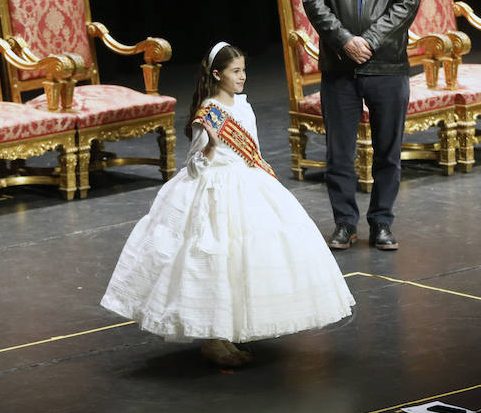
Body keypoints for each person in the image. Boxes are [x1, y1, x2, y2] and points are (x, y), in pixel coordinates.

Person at [101, 42, 355, 368]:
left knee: (245, 260)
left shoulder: (244, 107)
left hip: (247, 184)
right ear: (217, 74)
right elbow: (193, 165)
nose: (243, 77)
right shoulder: (208, 113)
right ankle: (213, 338)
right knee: (214, 260)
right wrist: (211, 146)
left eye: (244, 70)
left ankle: (233, 328)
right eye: (236, 72)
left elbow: (254, 153)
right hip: (213, 188)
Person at [301, 0, 420, 252]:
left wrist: (369, 41)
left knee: (388, 151)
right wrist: (345, 42)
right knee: (339, 153)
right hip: (340, 67)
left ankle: (382, 222)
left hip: (387, 65)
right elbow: (313, 2)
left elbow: (408, 1)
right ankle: (344, 224)